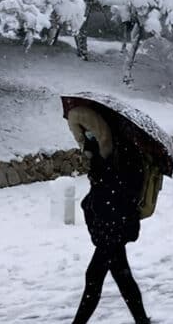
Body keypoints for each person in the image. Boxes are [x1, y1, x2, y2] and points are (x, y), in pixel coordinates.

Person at [67, 106, 151, 324]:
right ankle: (142, 321)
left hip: (116, 226)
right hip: (108, 225)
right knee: (122, 276)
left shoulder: (127, 153)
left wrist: (103, 171)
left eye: (92, 133)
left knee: (93, 277)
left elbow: (124, 189)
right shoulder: (104, 153)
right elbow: (100, 191)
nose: (88, 137)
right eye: (85, 134)